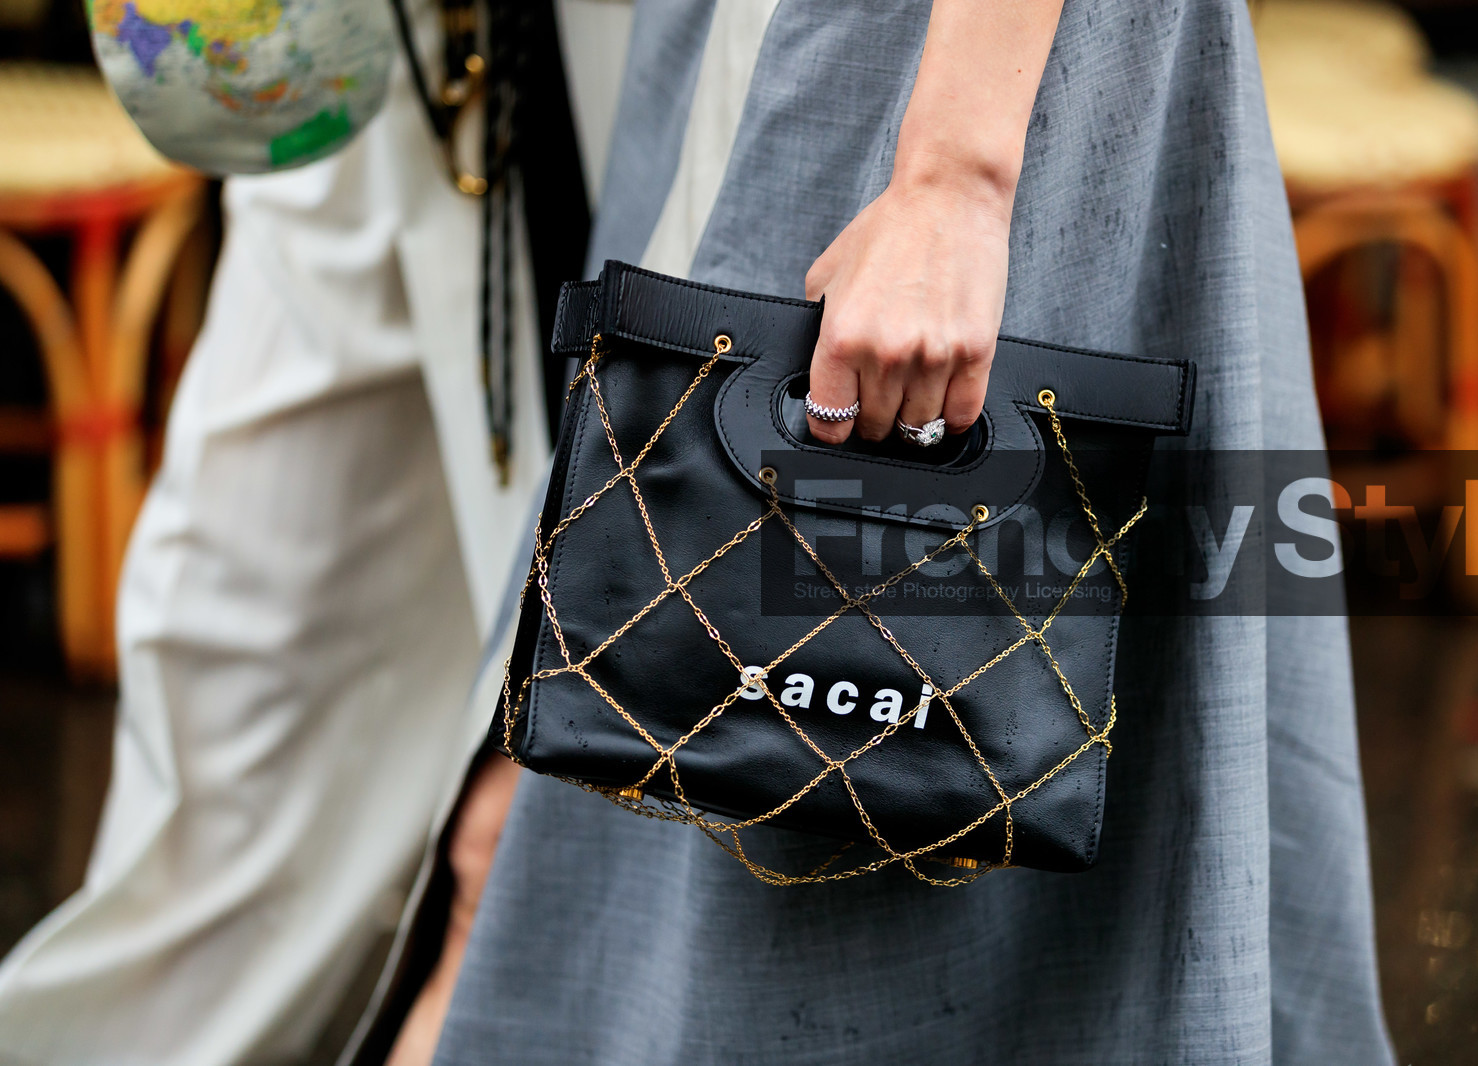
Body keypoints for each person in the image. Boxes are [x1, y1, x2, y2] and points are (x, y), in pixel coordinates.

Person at [398, 0, 1398, 1062]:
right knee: (583, 807)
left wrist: (953, 179)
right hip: (757, 68)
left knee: (810, 840)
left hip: (957, 79)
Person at [0, 2, 631, 1062]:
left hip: (620, 69)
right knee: (231, 625)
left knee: (611, 655)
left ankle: (478, 966)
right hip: (360, 64)